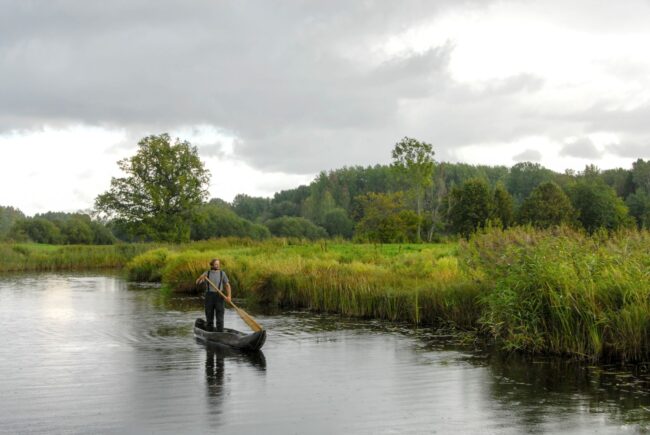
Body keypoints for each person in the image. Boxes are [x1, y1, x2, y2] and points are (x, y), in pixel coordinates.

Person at [196, 259, 232, 332]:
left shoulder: (222, 273)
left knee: (220, 317)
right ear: (212, 265)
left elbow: (227, 285)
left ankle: (220, 333)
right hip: (209, 296)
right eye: (216, 264)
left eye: (218, 264)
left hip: (219, 296)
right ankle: (209, 332)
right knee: (209, 316)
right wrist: (201, 278)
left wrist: (229, 296)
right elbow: (197, 282)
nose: (218, 265)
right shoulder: (207, 273)